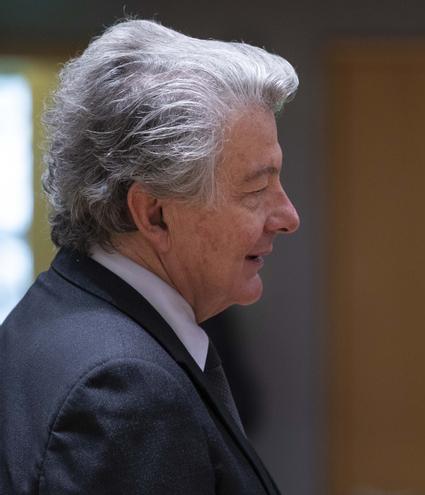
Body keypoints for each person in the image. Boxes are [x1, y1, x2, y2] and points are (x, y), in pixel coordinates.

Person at [0, 19, 299, 494]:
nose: (288, 216)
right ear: (154, 215)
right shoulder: (125, 391)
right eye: (257, 188)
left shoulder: (52, 312)